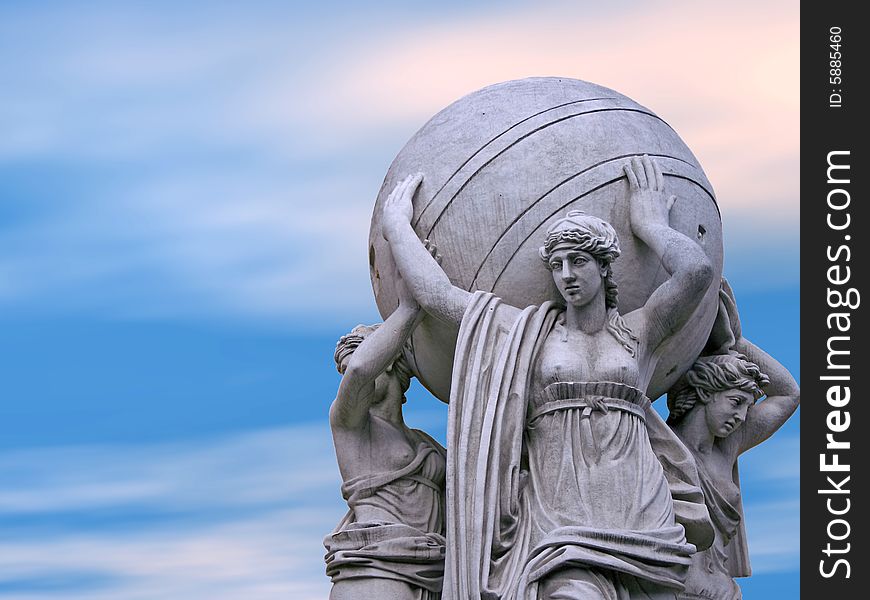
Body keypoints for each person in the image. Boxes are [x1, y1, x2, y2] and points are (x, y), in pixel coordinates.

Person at [381, 156, 715, 600]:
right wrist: (397, 227)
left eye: (578, 261)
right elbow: (440, 297)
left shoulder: (641, 331)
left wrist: (649, 223)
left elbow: (697, 272)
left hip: (640, 510)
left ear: (603, 267)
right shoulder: (528, 335)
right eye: (557, 265)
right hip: (560, 518)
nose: (566, 276)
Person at [667, 285, 800, 600]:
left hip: (724, 589)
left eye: (746, 407)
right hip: (674, 590)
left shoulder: (726, 447)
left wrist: (737, 344)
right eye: (736, 401)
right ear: (705, 391)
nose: (742, 416)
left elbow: (789, 394)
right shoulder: (657, 443)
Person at [324, 268, 447, 600]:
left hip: (432, 573)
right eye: (344, 372)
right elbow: (363, 370)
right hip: (375, 568)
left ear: (389, 362)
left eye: (350, 365)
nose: (348, 378)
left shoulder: (425, 444)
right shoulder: (348, 424)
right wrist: (409, 307)